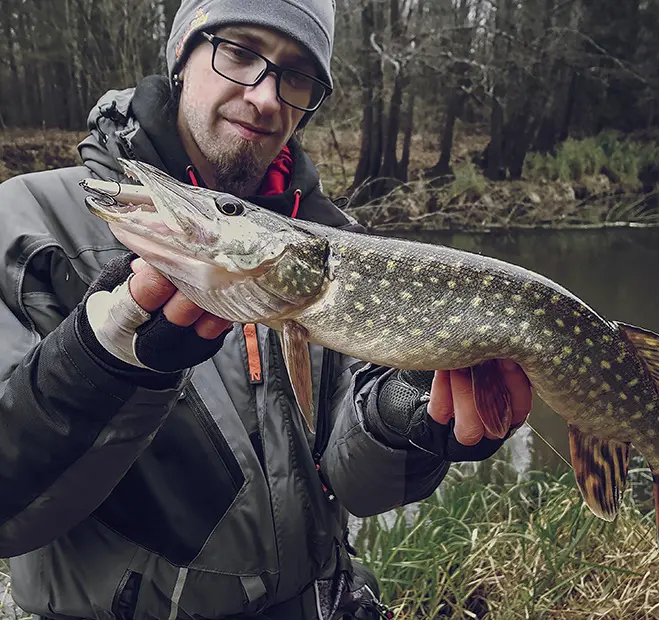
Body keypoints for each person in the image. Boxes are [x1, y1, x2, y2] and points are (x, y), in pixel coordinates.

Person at [0, 1, 532, 618]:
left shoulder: (330, 248)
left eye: (296, 73)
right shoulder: (24, 223)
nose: (265, 97)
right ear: (181, 53)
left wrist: (407, 421)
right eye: (241, 51)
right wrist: (102, 361)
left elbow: (355, 482)